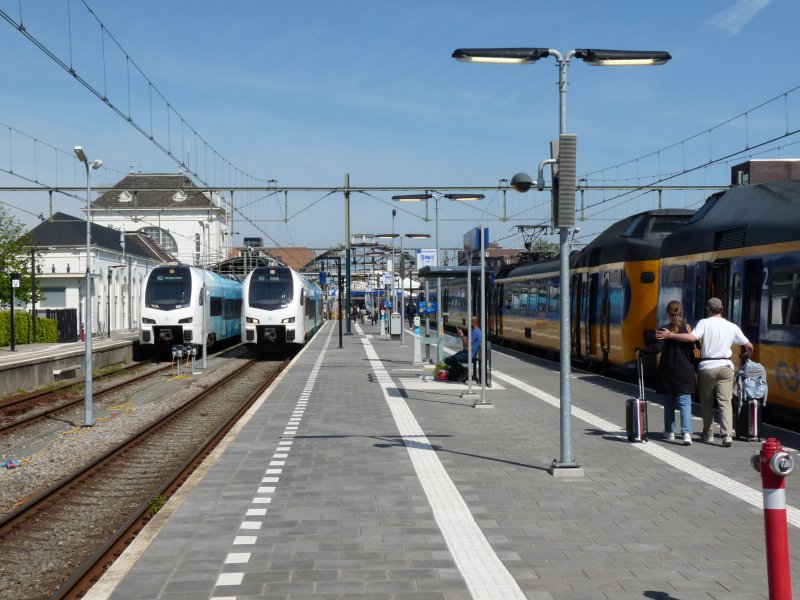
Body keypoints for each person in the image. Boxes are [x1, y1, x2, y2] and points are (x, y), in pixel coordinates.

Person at [656, 297, 753, 447]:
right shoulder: (732, 326)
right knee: (725, 401)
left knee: (707, 401)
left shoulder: (704, 323)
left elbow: (691, 338)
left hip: (708, 366)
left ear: (708, 310)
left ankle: (708, 434)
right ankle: (727, 435)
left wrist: (671, 335)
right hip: (726, 366)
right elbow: (749, 345)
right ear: (722, 309)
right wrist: (748, 355)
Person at [636, 300, 696, 446]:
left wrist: (641, 352)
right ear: (681, 311)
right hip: (685, 370)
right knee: (685, 402)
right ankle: (687, 433)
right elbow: (695, 347)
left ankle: (669, 431)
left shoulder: (664, 329)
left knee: (669, 401)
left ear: (668, 313)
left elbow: (657, 348)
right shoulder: (688, 329)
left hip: (668, 370)